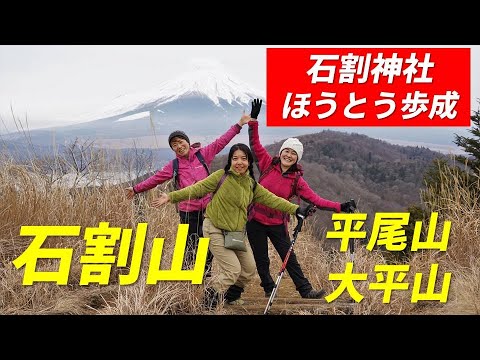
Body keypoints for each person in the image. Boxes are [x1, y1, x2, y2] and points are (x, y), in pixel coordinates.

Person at [150, 142, 311, 310]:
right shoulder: (221, 176)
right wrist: (170, 197)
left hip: (235, 233)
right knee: (232, 270)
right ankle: (208, 301)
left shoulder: (251, 185)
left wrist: (296, 209)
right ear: (230, 161)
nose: (239, 162)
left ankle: (231, 296)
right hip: (214, 229)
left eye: (243, 158)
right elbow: (197, 189)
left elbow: (273, 200)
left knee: (249, 269)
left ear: (249, 162)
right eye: (235, 158)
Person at [247, 98, 355, 299]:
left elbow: (317, 200)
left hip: (278, 223)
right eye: (286, 151)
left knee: (289, 258)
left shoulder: (297, 180)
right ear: (281, 152)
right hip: (255, 220)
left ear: (297, 158)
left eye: (293, 154)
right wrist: (254, 119)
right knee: (261, 259)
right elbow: (255, 143)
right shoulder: (267, 164)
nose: (289, 155)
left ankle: (305, 290)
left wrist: (340, 206)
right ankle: (269, 287)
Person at [125, 115, 250, 277]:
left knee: (208, 244)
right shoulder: (174, 165)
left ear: (187, 141)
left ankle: (204, 275)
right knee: (190, 246)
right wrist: (136, 189)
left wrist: (239, 124)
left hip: (209, 211)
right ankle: (187, 279)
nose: (178, 146)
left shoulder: (202, 154)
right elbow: (155, 179)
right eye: (174, 145)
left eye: (180, 141)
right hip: (187, 213)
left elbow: (222, 141)